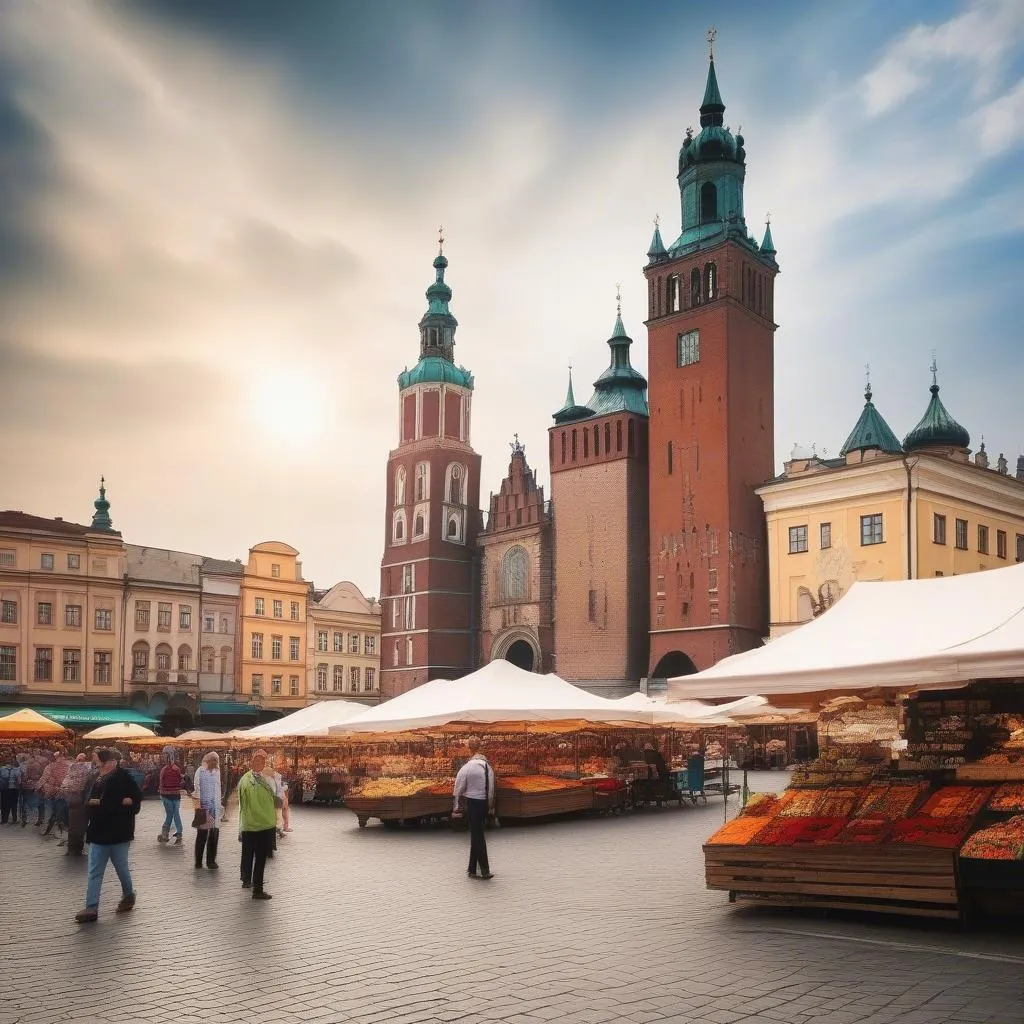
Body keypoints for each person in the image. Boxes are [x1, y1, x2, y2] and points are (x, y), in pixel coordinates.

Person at [75, 748, 143, 924]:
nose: (95, 763)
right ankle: (92, 907)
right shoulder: (96, 778)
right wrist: (110, 804)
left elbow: (135, 801)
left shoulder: (124, 778)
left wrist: (117, 804)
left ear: (110, 761)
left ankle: (128, 895)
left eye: (97, 759)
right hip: (99, 832)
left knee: (121, 867)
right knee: (94, 871)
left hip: (119, 832)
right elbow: (88, 800)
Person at [237, 749, 278, 900]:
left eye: (262, 761)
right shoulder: (245, 780)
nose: (260, 763)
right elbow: (242, 804)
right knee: (250, 854)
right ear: (252, 762)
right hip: (251, 824)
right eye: (257, 760)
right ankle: (249, 881)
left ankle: (257, 888)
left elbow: (277, 795)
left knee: (260, 858)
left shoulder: (268, 778)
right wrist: (240, 827)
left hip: (265, 824)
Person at [452, 738, 495, 880]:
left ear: (469, 749)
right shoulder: (486, 767)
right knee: (479, 836)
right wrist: (490, 806)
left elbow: (458, 787)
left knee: (476, 835)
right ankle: (484, 870)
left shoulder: (466, 767)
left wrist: (457, 805)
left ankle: (472, 869)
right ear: (481, 749)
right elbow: (491, 789)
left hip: (471, 803)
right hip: (482, 803)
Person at [59, 754, 96, 856]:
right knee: (81, 825)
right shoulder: (88, 770)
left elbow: (64, 784)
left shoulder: (71, 768)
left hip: (71, 799)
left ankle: (71, 848)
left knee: (72, 824)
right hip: (81, 799)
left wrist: (65, 794)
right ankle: (78, 848)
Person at [192, 751, 223, 870]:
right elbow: (197, 788)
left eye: (216, 760)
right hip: (203, 807)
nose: (214, 762)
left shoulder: (217, 772)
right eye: (212, 760)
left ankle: (211, 861)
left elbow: (218, 788)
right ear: (207, 760)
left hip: (215, 807)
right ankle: (198, 861)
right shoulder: (200, 771)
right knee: (202, 835)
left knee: (214, 835)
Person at [39, 750, 70, 838]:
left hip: (53, 792)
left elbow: (44, 778)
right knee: (58, 813)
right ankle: (56, 832)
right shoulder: (69, 766)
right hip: (61, 792)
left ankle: (49, 830)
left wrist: (41, 787)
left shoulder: (50, 766)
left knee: (51, 812)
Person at [157, 750, 184, 845]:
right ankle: (179, 834)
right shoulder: (177, 768)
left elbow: (161, 781)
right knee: (176, 814)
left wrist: (160, 791)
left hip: (166, 795)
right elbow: (180, 781)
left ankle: (165, 834)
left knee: (169, 814)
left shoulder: (163, 769)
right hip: (176, 795)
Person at [0, 752, 22, 824]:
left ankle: (4, 820)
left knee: (4, 805)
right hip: (13, 789)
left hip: (5, 789)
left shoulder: (2, 769)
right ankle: (14, 819)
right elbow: (19, 781)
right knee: (13, 805)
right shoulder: (17, 770)